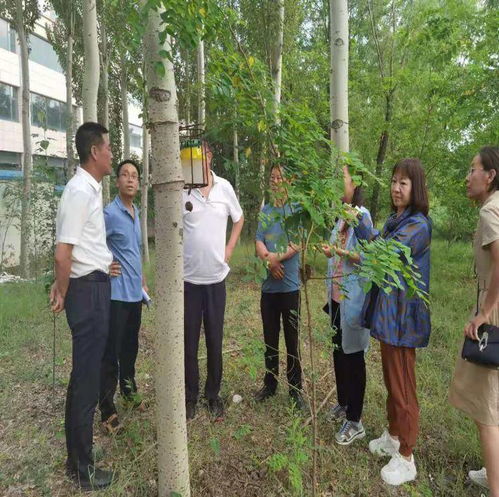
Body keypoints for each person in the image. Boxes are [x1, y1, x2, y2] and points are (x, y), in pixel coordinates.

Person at [354, 158, 431, 486]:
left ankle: (407, 455)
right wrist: (361, 224)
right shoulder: (395, 219)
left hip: (403, 320)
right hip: (388, 316)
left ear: (416, 188)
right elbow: (376, 244)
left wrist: (365, 232)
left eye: (404, 183)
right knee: (391, 381)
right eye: (394, 181)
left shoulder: (418, 225)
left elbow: (384, 252)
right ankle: (394, 435)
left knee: (403, 387)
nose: (396, 188)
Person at [50, 122, 117, 491]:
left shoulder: (87, 190)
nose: (111, 153)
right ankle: (82, 468)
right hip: (86, 293)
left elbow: (78, 248)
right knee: (87, 382)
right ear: (95, 152)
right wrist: (62, 291)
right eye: (108, 147)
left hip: (93, 286)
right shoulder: (80, 191)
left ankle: (75, 459)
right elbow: (64, 253)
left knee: (83, 379)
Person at [449, 146, 499, 497]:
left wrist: (484, 312)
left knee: (486, 412)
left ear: (490, 175)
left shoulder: (490, 211)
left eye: (473, 170)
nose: (467, 177)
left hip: (493, 315)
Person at [183, 143, 244, 421]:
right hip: (188, 280)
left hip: (216, 280)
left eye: (203, 155)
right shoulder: (183, 188)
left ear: (210, 156)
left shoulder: (224, 187)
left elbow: (239, 219)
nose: (199, 160)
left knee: (214, 340)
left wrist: (229, 248)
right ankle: (189, 396)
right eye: (194, 156)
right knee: (189, 343)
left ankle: (213, 394)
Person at [322, 166, 372, 444]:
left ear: (355, 184)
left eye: (341, 179)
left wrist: (342, 252)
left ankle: (355, 420)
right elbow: (340, 254)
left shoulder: (361, 217)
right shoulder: (341, 218)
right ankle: (343, 403)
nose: (336, 184)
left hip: (353, 300)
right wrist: (332, 251)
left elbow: (367, 258)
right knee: (339, 353)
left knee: (353, 358)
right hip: (336, 298)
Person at [99, 159, 148, 434]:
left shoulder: (135, 211)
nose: (130, 179)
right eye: (125, 175)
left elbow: (134, 251)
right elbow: (92, 243)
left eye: (134, 176)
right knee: (111, 352)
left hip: (134, 294)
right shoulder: (109, 213)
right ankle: (107, 409)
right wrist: (105, 264)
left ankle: (129, 392)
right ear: (117, 181)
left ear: (138, 184)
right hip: (116, 295)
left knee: (130, 348)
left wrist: (142, 279)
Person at [254, 164, 305, 409]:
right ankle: (270, 383)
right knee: (270, 339)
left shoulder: (296, 210)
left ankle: (296, 388)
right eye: (272, 177)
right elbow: (258, 241)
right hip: (269, 289)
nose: (275, 181)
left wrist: (275, 259)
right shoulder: (266, 210)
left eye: (279, 177)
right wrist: (269, 261)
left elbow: (297, 244)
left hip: (290, 287)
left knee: (292, 340)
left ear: (290, 180)